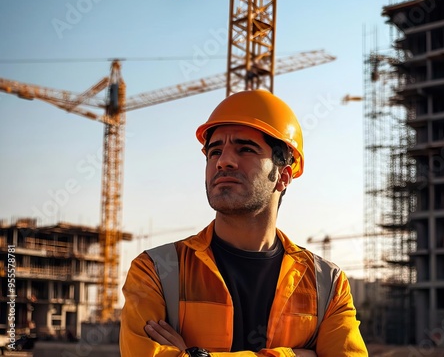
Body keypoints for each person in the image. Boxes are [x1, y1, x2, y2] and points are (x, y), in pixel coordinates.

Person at [120, 89, 368, 357]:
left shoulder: (327, 284)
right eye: (214, 152)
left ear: (283, 176)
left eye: (245, 149)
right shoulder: (155, 271)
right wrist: (294, 355)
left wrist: (194, 355)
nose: (223, 161)